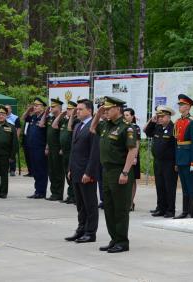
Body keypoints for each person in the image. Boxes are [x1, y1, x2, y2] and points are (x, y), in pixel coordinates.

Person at [90, 96, 138, 253]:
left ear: (118, 109)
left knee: (120, 208)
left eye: (108, 109)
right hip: (106, 171)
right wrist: (98, 113)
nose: (106, 111)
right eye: (105, 109)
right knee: (109, 207)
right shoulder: (105, 125)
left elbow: (132, 150)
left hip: (119, 171)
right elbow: (92, 128)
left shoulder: (127, 127)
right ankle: (114, 239)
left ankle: (122, 242)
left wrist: (125, 172)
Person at [65, 99, 100, 243]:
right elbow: (73, 151)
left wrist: (89, 172)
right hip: (76, 170)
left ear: (89, 111)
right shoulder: (78, 125)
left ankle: (90, 232)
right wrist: (70, 169)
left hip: (87, 172)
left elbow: (94, 152)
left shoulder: (94, 126)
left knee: (89, 204)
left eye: (80, 109)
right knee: (79, 204)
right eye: (77, 109)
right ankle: (81, 229)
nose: (77, 111)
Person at [144, 106, 178, 218]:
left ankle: (170, 210)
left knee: (169, 187)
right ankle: (160, 208)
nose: (160, 118)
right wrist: (152, 121)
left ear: (168, 117)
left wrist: (177, 163)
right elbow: (147, 131)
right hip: (158, 162)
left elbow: (177, 147)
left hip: (169, 163)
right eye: (158, 116)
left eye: (162, 116)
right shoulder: (157, 127)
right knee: (160, 185)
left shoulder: (174, 128)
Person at [173, 94, 193, 219]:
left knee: (190, 187)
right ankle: (185, 211)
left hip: (189, 159)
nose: (180, 106)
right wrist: (176, 162)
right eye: (179, 104)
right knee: (184, 187)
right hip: (180, 158)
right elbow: (176, 143)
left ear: (188, 107)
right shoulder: (178, 121)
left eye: (182, 105)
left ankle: (191, 212)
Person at [0, 106, 18, 198]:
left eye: (3, 114)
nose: (1, 116)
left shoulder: (11, 127)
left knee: (4, 174)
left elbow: (15, 143)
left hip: (5, 155)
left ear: (6, 116)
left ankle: (3, 193)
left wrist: (12, 156)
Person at [52, 101, 79, 204]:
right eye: (67, 109)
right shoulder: (64, 120)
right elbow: (54, 125)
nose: (68, 111)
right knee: (67, 175)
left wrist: (72, 115)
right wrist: (60, 115)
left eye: (70, 109)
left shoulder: (75, 121)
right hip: (64, 152)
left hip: (71, 152)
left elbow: (69, 128)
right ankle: (70, 195)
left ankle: (74, 196)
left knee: (72, 175)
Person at [23, 97, 48, 199]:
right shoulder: (33, 117)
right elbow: (24, 117)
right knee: (35, 170)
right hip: (31, 147)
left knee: (41, 170)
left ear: (43, 107)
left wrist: (47, 147)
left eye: (37, 105)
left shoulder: (46, 118)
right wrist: (29, 110)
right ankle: (37, 190)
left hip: (40, 148)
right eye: (34, 105)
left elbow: (47, 134)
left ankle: (41, 192)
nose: (35, 107)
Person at [43, 98, 65, 201]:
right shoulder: (50, 118)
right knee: (51, 171)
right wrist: (47, 146)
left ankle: (58, 193)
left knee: (58, 172)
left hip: (57, 149)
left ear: (59, 108)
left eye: (53, 107)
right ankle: (53, 192)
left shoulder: (62, 119)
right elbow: (44, 128)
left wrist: (61, 148)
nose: (51, 108)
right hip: (51, 148)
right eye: (51, 106)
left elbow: (62, 135)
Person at [123, 108, 141, 211]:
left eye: (127, 115)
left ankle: (130, 202)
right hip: (123, 155)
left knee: (132, 180)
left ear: (132, 116)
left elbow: (137, 143)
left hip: (132, 155)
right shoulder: (122, 127)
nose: (125, 117)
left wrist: (134, 157)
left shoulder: (135, 128)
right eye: (124, 115)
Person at [5, 105, 21, 176]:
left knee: (12, 154)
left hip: (12, 138)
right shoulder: (2, 116)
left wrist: (16, 138)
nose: (6, 110)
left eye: (8, 108)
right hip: (4, 139)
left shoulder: (15, 117)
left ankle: (12, 170)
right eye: (5, 109)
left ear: (11, 109)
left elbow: (18, 128)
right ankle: (5, 169)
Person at [21, 107, 33, 177]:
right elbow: (22, 117)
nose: (30, 112)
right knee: (27, 156)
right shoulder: (28, 117)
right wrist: (28, 110)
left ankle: (33, 171)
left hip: (31, 139)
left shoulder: (34, 118)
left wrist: (31, 111)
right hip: (25, 139)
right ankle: (30, 171)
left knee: (32, 156)